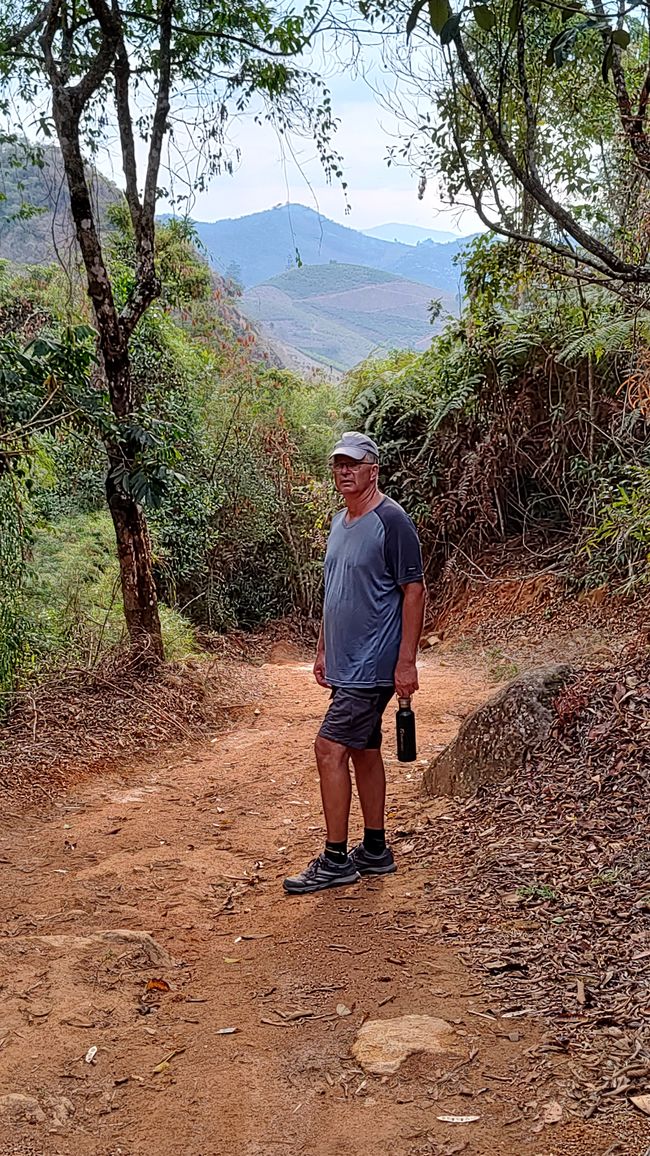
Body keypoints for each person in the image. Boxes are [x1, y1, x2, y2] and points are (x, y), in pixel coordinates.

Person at [283, 431, 425, 895]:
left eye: (353, 463)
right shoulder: (340, 522)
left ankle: (335, 859)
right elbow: (334, 590)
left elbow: (414, 590)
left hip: (373, 663)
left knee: (328, 748)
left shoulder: (392, 520)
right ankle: (376, 849)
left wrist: (406, 662)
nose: (344, 471)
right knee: (363, 748)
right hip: (347, 662)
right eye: (338, 464)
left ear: (373, 469)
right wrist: (323, 647)